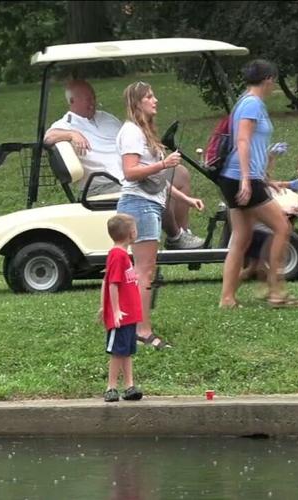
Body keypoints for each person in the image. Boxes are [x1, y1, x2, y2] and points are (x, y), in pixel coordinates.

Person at [44, 79, 204, 250]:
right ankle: (175, 236)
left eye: (93, 97)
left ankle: (183, 232)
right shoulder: (66, 124)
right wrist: (71, 134)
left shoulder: (106, 118)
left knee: (180, 173)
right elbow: (48, 138)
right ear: (72, 101)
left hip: (125, 175)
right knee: (153, 188)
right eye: (87, 99)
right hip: (104, 183)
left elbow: (130, 144)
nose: (92, 102)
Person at [116, 81, 205, 348]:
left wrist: (186, 198)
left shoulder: (143, 132)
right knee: (144, 271)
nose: (155, 101)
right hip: (138, 205)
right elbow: (130, 172)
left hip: (147, 204)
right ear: (137, 103)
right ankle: (142, 331)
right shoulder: (131, 132)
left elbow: (158, 181)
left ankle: (135, 325)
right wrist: (164, 163)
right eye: (149, 97)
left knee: (144, 271)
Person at [218, 60, 298, 309]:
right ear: (268, 79)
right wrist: (248, 179)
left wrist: (264, 178)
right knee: (282, 227)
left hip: (237, 177)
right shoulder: (252, 104)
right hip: (240, 177)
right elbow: (243, 141)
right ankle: (275, 289)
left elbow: (252, 145)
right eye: (274, 80)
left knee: (241, 237)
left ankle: (227, 298)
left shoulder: (244, 101)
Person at [99, 214, 144, 402]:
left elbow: (106, 280)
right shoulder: (118, 255)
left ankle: (129, 386)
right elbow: (112, 283)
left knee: (127, 351)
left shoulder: (122, 255)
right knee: (118, 352)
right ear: (131, 233)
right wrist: (114, 310)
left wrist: (103, 306)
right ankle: (111, 387)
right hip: (122, 315)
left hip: (129, 314)